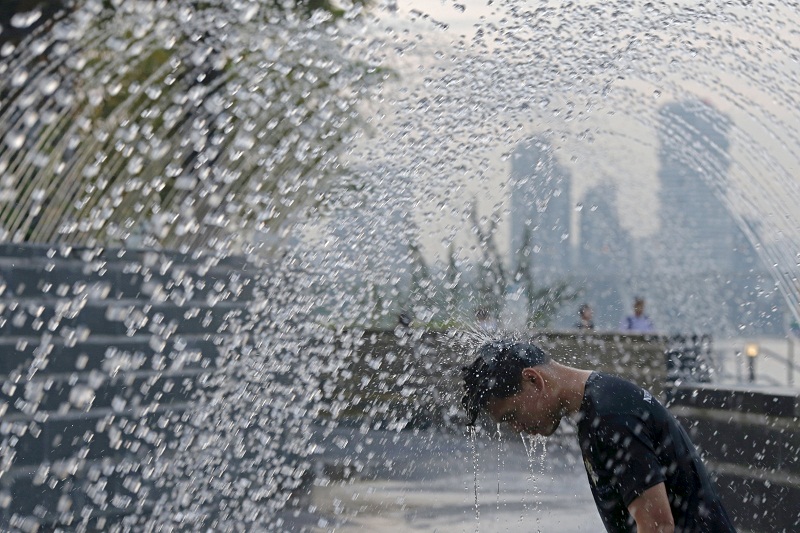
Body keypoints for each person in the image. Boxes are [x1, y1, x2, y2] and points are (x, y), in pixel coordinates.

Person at [461, 340, 735, 533]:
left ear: (534, 380)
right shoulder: (599, 407)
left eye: (511, 415)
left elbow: (657, 526)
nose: (516, 429)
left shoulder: (610, 417)